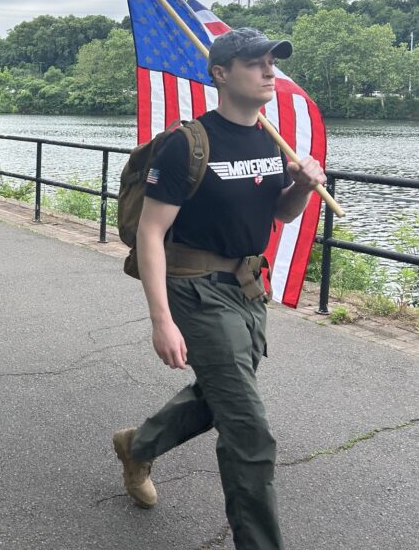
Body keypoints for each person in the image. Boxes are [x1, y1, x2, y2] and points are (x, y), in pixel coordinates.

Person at [112, 28, 324, 550]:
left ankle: (138, 445)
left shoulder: (269, 140)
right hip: (195, 288)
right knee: (249, 430)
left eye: (272, 62)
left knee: (222, 397)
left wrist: (300, 184)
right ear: (222, 74)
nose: (269, 72)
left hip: (248, 289)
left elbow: (278, 213)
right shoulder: (187, 144)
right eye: (255, 63)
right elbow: (151, 233)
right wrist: (161, 319)